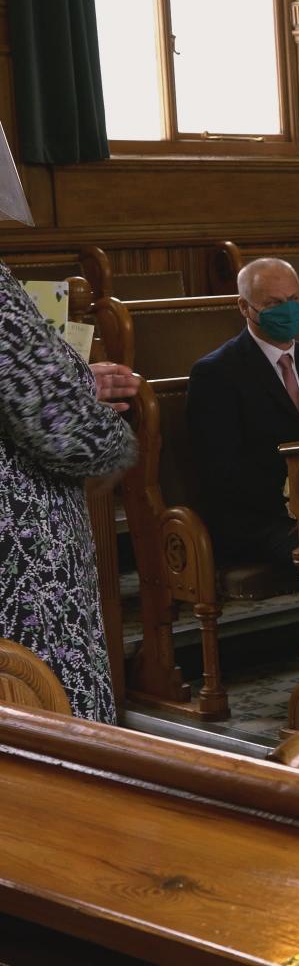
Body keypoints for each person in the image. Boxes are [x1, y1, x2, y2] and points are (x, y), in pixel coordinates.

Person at [1, 262, 139, 721]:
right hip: (23, 556)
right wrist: (119, 443)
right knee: (51, 727)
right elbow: (56, 421)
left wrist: (75, 378)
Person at [188, 258, 299, 567]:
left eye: (294, 300)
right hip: (263, 519)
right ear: (244, 307)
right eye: (275, 303)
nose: (288, 310)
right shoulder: (217, 373)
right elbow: (220, 471)